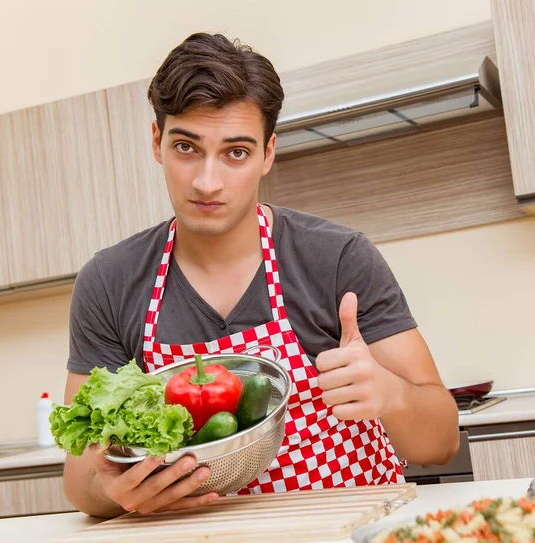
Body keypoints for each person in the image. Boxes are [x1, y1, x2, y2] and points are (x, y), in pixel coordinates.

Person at [62, 32, 459, 518]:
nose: (208, 181)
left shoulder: (337, 258)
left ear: (267, 153)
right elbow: (81, 477)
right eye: (187, 147)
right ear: (156, 143)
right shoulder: (110, 281)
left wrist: (389, 393)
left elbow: (440, 441)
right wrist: (114, 492)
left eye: (236, 152)